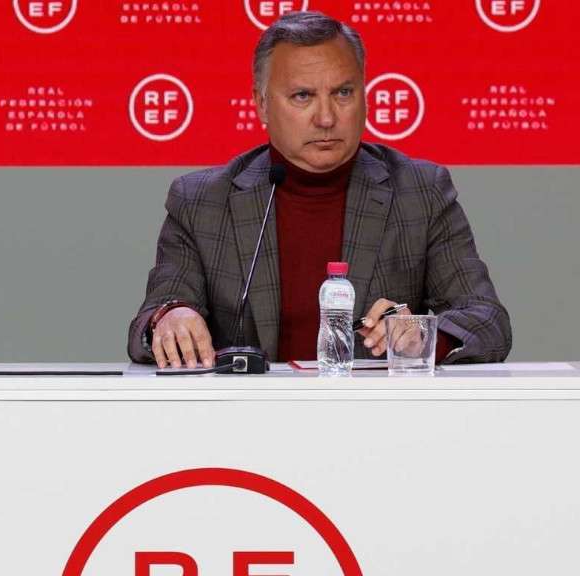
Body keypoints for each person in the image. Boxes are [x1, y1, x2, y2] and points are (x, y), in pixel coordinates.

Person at [128, 11, 511, 369]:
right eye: (303, 96)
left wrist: (422, 337)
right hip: (246, 414)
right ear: (261, 104)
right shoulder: (201, 201)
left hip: (379, 413)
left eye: (343, 93)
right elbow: (150, 319)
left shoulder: (420, 192)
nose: (327, 118)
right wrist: (171, 317)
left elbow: (487, 321)